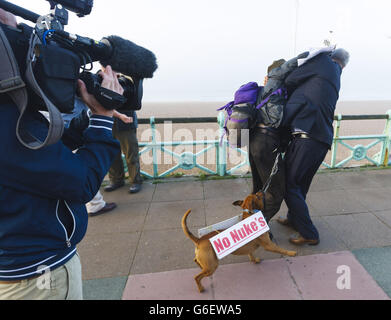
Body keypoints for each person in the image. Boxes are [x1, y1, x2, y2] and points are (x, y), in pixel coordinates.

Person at [0, 9, 123, 299]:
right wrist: (103, 119)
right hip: (39, 276)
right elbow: (81, 182)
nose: (24, 36)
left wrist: (83, 125)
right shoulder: (9, 122)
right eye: (11, 26)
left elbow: (39, 158)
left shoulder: (13, 117)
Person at [277, 48, 350, 245]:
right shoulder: (335, 75)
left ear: (331, 57)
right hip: (320, 138)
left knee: (289, 185)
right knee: (300, 185)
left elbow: (291, 78)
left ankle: (309, 233)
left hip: (308, 137)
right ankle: (294, 219)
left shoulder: (325, 63)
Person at [248, 60, 289, 224]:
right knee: (275, 193)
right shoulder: (281, 93)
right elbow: (284, 124)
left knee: (258, 188)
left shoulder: (259, 91)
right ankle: (255, 230)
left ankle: (248, 217)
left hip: (253, 143)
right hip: (267, 145)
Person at [104, 96, 143, 194]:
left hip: (126, 119)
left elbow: (135, 99)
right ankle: (116, 180)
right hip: (108, 120)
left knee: (131, 153)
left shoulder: (129, 81)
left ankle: (135, 181)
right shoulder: (104, 81)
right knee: (112, 154)